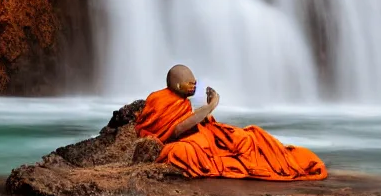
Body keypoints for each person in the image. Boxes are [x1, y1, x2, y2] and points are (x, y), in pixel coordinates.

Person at [134, 64, 327, 180]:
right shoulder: (160, 100)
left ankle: (283, 156)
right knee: (183, 153)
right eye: (190, 84)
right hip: (187, 142)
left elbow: (190, 121)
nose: (195, 87)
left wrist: (207, 111)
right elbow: (177, 129)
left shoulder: (182, 101)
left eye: (195, 83)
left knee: (248, 137)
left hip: (203, 134)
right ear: (177, 85)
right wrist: (211, 106)